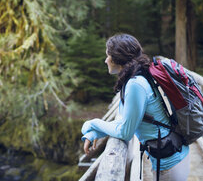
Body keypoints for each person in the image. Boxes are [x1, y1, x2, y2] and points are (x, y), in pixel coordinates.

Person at [81, 33, 190, 181]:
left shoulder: (135, 84)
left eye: (108, 55)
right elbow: (123, 122)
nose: (105, 60)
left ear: (117, 58)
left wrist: (92, 124)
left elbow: (125, 132)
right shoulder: (135, 79)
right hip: (166, 156)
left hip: (170, 162)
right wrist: (95, 133)